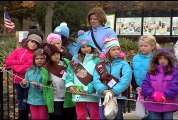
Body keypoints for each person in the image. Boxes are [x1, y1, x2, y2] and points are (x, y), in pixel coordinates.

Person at [93, 36, 132, 120]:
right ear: (107, 51)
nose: (116, 52)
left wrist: (114, 91)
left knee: (118, 116)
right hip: (104, 95)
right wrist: (103, 90)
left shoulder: (124, 64)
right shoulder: (100, 65)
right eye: (113, 49)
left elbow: (126, 80)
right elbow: (96, 79)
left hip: (118, 95)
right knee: (104, 116)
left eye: (118, 49)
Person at [5, 34, 43, 120]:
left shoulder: (35, 55)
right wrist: (21, 62)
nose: (33, 44)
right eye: (32, 41)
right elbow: (8, 62)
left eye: (36, 43)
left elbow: (25, 69)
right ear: (27, 42)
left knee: (27, 102)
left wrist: (14, 65)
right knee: (20, 100)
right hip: (18, 82)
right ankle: (22, 116)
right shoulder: (18, 51)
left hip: (29, 82)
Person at [65, 30, 101, 120]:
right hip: (78, 91)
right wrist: (70, 86)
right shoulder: (74, 60)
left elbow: (99, 76)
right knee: (81, 116)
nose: (86, 49)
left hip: (92, 92)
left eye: (88, 46)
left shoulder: (97, 60)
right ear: (79, 48)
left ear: (92, 46)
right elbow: (69, 74)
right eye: (83, 47)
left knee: (95, 115)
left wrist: (91, 88)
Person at [46, 33, 77, 119]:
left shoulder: (67, 61)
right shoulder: (45, 64)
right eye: (53, 43)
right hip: (54, 98)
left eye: (58, 43)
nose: (56, 45)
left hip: (68, 96)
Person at [141, 48, 178, 120]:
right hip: (153, 104)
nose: (162, 61)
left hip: (168, 105)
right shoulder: (151, 72)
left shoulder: (174, 72)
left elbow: (175, 86)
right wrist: (153, 94)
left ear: (169, 60)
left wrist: (165, 95)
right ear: (156, 59)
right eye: (160, 58)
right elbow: (145, 85)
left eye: (165, 58)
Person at [20, 48, 48, 119]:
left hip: (43, 100)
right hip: (32, 100)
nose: (39, 60)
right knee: (35, 117)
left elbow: (48, 86)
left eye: (42, 58)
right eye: (37, 58)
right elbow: (27, 86)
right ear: (34, 60)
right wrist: (24, 83)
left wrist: (39, 86)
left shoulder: (47, 71)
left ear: (46, 59)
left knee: (43, 117)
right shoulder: (29, 71)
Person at [42, 43, 67, 120]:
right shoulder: (46, 67)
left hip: (67, 96)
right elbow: (44, 82)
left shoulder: (66, 63)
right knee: (55, 116)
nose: (56, 56)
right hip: (54, 98)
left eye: (58, 54)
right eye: (53, 55)